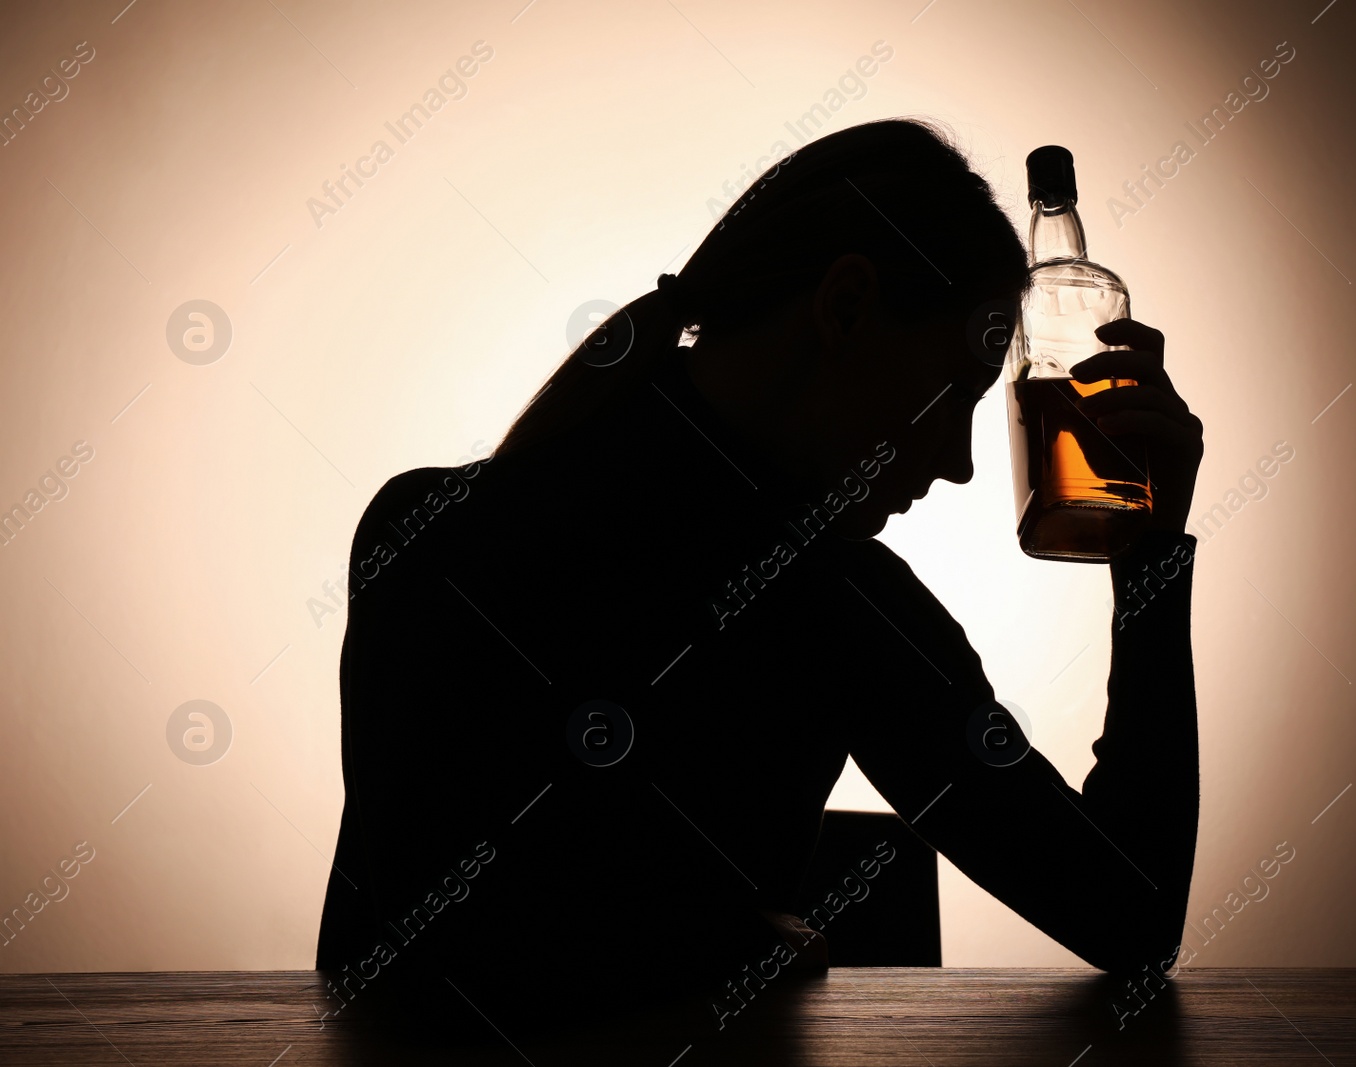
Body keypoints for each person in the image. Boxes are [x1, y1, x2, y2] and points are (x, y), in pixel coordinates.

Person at [315, 118, 1203, 1039]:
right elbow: (1129, 913)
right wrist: (1147, 556)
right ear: (847, 304)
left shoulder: (422, 524)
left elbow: (391, 954)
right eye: (956, 395)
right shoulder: (845, 612)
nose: (960, 465)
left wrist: (712, 944)